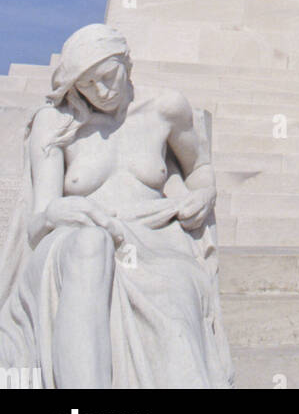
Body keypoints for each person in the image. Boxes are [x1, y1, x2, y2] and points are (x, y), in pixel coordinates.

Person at [0, 23, 233, 388]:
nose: (103, 91)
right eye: (88, 85)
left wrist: (205, 194)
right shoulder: (57, 122)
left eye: (109, 76)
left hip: (154, 241)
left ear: (127, 61)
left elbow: (200, 169)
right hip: (75, 238)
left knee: (175, 296)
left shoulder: (165, 110)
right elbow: (37, 219)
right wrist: (58, 211)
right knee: (90, 246)